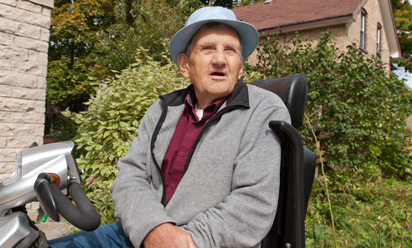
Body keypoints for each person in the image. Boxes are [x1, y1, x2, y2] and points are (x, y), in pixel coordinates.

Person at [49, 6, 290, 248]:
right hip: (138, 233)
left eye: (231, 50)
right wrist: (153, 229)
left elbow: (253, 203)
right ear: (185, 65)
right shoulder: (162, 109)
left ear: (240, 68)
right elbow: (130, 176)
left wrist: (182, 242)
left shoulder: (264, 109)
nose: (220, 59)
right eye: (207, 48)